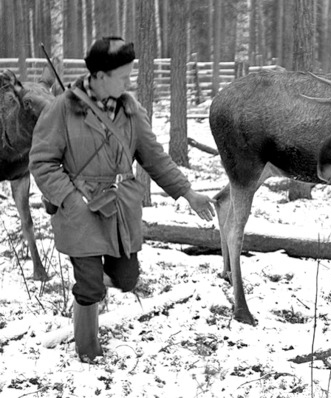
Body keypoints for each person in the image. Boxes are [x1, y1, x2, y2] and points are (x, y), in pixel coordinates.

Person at [29, 36, 216, 363]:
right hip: (80, 207)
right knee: (89, 285)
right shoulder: (61, 109)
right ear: (100, 76)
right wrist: (71, 199)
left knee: (127, 279)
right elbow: (42, 162)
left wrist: (188, 193)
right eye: (124, 75)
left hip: (119, 208)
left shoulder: (131, 110)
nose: (130, 82)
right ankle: (88, 352)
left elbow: (154, 158)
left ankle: (96, 286)